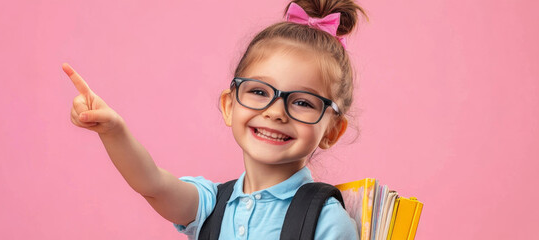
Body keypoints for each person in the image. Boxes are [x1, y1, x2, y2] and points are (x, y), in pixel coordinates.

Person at [63, 0, 365, 239]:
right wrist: (113, 130)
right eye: (259, 91)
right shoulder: (210, 204)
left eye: (302, 102)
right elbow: (153, 184)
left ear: (332, 131)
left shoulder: (326, 222)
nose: (275, 111)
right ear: (229, 105)